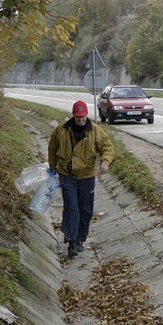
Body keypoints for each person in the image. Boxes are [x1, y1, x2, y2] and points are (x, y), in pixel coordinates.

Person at [48, 100, 114, 258]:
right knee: (72, 208)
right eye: (77, 117)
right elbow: (52, 148)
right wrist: (52, 166)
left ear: (86, 115)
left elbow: (107, 146)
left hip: (87, 177)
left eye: (83, 117)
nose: (80, 120)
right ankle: (71, 241)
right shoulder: (61, 130)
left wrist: (105, 162)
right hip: (67, 175)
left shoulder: (95, 131)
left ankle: (80, 240)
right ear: (73, 116)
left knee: (85, 210)